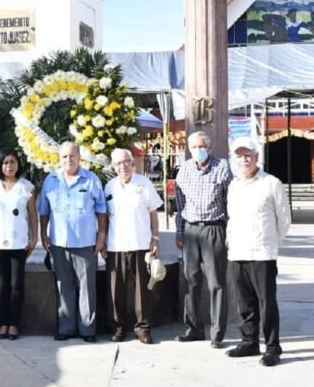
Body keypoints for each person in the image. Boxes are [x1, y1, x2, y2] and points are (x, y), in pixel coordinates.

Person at [225, 137, 291, 367]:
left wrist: (272, 242)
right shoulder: (234, 185)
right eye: (239, 155)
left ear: (256, 157)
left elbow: (284, 220)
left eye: (248, 155)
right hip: (238, 252)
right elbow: (231, 217)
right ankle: (249, 341)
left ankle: (273, 347)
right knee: (245, 303)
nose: (244, 159)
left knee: (267, 303)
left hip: (263, 253)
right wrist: (230, 239)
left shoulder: (271, 183)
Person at [38, 141, 106, 342]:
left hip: (85, 243)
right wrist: (44, 234)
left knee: (87, 288)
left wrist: (101, 235)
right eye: (65, 156)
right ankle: (66, 327)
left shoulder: (91, 180)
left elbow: (101, 209)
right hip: (59, 243)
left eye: (72, 156)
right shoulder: (51, 180)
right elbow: (44, 210)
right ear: (59, 159)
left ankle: (87, 329)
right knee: (63, 286)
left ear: (79, 157)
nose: (69, 160)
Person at [174, 130, 231, 348]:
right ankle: (194, 328)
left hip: (213, 229)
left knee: (216, 282)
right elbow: (180, 203)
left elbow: (230, 201)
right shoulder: (185, 169)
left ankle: (217, 333)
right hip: (191, 230)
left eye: (202, 147)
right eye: (194, 147)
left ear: (209, 147)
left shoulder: (222, 167)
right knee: (191, 281)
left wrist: (228, 231)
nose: (198, 151)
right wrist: (180, 231)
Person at [104, 148, 163, 344]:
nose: (123, 166)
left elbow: (153, 213)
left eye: (126, 162)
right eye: (119, 163)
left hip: (140, 244)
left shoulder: (144, 183)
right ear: (114, 166)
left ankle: (143, 328)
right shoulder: (109, 187)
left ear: (133, 163)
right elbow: (103, 217)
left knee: (142, 290)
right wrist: (102, 240)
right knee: (115, 290)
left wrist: (155, 238)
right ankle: (118, 327)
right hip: (115, 244)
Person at [0, 149, 38, 340]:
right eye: (5, 163)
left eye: (12, 162)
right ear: (0, 165)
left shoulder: (26, 187)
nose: (9, 166)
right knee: (1, 284)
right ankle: (2, 322)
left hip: (18, 241)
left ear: (18, 164)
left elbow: (32, 215)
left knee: (16, 284)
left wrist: (34, 237)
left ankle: (14, 324)